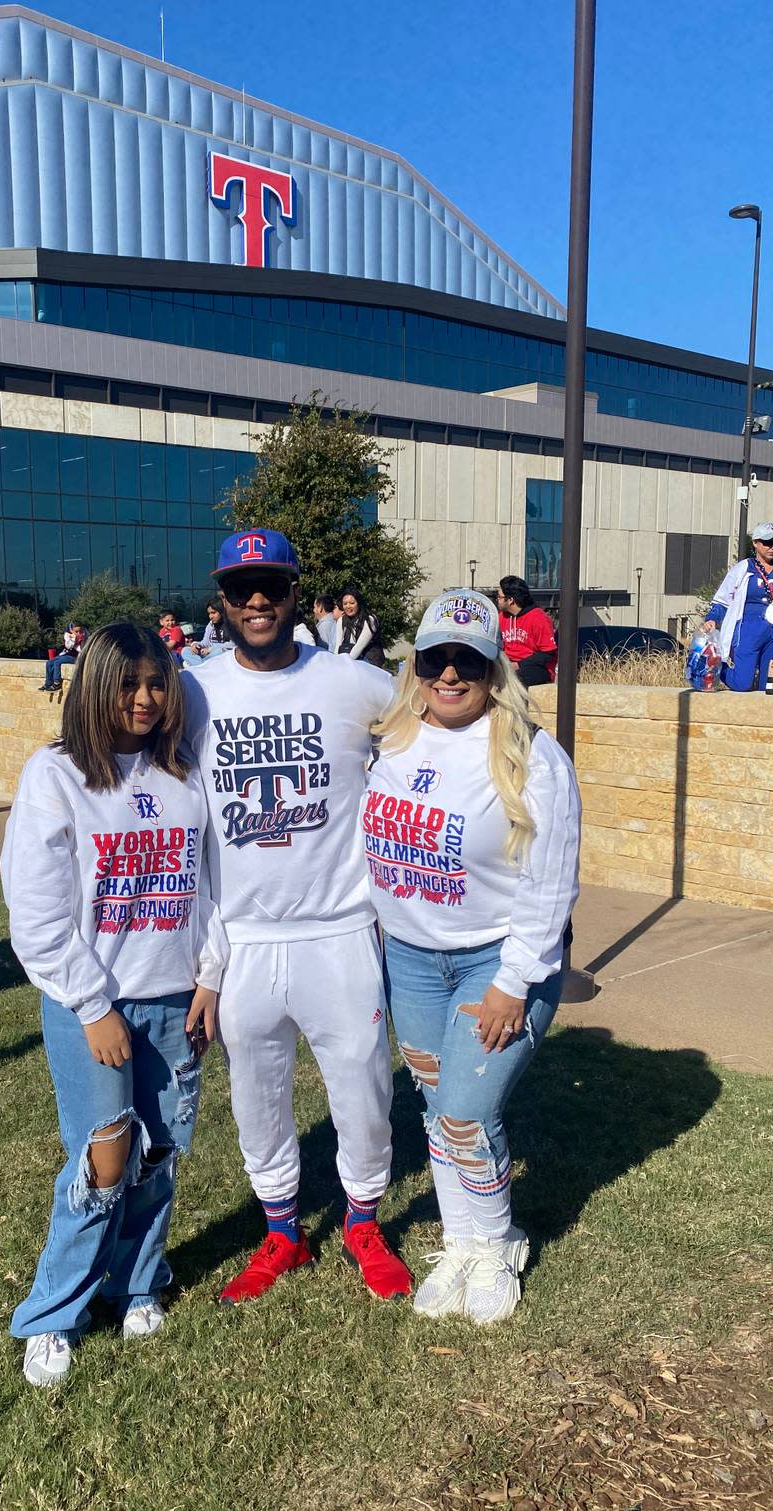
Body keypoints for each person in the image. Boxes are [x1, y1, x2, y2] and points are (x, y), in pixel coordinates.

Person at [182, 529, 411, 1306]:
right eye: (241, 586)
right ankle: (282, 1230)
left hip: (339, 929)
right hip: (245, 938)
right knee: (258, 1093)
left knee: (364, 1089)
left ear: (292, 593)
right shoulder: (194, 689)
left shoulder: (355, 682)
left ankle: (362, 1221)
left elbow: (434, 727)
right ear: (222, 599)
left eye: (271, 586)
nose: (256, 599)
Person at [1, 623, 227, 1387]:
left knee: (158, 1155)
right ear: (94, 685)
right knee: (104, 1158)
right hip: (91, 1005)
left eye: (158, 684)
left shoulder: (184, 774)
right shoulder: (55, 776)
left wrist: (211, 976)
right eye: (128, 684)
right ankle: (53, 1313)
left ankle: (138, 1281)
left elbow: (213, 888)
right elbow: (35, 915)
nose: (144, 699)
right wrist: (92, 1005)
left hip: (175, 998)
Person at [365, 589, 580, 1323]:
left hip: (496, 960)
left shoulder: (531, 754)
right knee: (433, 1109)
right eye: (435, 657)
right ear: (416, 662)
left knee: (465, 1111)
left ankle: (497, 1245)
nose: (449, 674)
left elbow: (552, 883)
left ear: (494, 668)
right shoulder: (390, 740)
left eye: (468, 659)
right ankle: (461, 1240)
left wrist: (515, 981)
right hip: (413, 959)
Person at [703, 522, 773, 692]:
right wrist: (712, 618)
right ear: (755, 543)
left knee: (768, 686)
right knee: (742, 683)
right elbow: (723, 599)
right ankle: (714, 664)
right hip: (748, 630)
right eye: (768, 542)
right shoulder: (743, 568)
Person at [496, 577, 557, 687]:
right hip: (507, 664)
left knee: (513, 681)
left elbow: (548, 653)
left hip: (536, 668)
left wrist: (518, 665)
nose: (497, 600)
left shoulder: (539, 618)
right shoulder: (501, 617)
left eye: (499, 597)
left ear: (510, 600)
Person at [334, 585, 387, 666]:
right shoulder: (341, 620)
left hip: (369, 661)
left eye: (352, 603)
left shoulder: (370, 619)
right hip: (349, 660)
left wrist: (346, 664)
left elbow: (359, 646)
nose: (348, 606)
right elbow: (338, 645)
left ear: (358, 603)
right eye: (345, 604)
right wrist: (336, 662)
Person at [182, 599, 233, 666]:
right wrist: (197, 645)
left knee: (219, 652)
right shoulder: (210, 625)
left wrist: (210, 649)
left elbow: (233, 645)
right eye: (209, 613)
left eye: (213, 613)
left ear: (221, 612)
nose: (210, 616)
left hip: (219, 654)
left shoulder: (231, 624)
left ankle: (199, 666)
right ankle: (202, 666)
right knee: (185, 650)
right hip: (207, 655)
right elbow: (205, 642)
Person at [41, 624, 86, 692]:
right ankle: (48, 683)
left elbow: (81, 650)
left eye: (79, 631)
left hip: (76, 657)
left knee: (57, 662)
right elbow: (68, 646)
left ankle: (57, 683)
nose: (78, 633)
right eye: (76, 632)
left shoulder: (83, 638)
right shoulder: (68, 636)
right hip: (66, 655)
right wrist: (72, 639)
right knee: (49, 663)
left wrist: (74, 639)